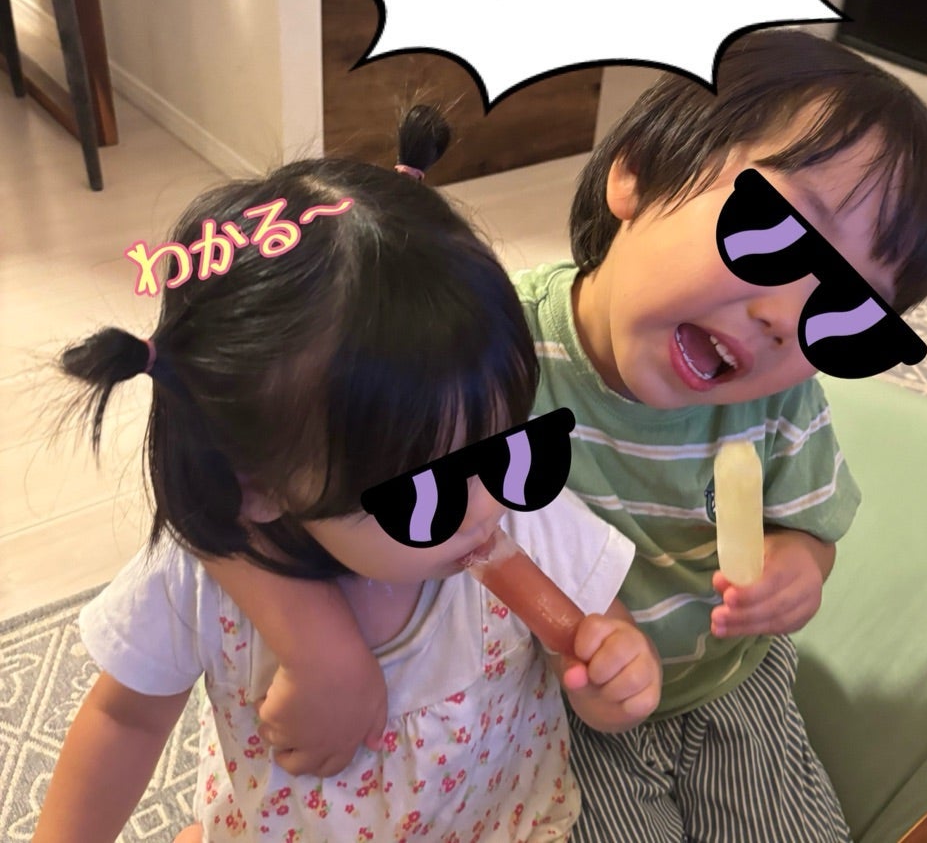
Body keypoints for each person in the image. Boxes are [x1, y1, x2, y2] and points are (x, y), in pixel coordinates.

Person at [130, 30, 927, 842]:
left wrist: (799, 568)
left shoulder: (784, 403)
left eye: (846, 310)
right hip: (554, 697)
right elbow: (238, 471)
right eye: (775, 233)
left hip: (731, 684)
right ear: (637, 170)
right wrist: (319, 649)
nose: (786, 318)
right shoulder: (487, 351)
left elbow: (809, 525)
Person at [32, 108, 661, 843]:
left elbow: (596, 630)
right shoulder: (195, 585)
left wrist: (612, 675)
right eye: (427, 493)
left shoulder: (527, 515)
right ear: (260, 485)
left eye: (510, 446)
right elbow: (125, 719)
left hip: (500, 824)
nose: (487, 504)